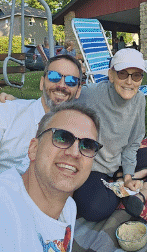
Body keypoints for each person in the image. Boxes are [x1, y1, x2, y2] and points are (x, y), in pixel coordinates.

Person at [73, 48, 147, 221]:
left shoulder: (139, 99)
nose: (129, 82)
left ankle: (140, 195)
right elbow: (58, 103)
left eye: (136, 76)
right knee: (94, 209)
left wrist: (127, 176)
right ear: (111, 75)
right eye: (123, 74)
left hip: (121, 160)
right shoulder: (90, 95)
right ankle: (126, 185)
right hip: (94, 167)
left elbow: (133, 143)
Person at [0, 102, 101, 251]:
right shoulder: (6, 211)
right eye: (62, 137)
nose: (74, 153)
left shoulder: (68, 208)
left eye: (87, 145)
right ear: (33, 148)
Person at [0, 55, 83, 174]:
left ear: (78, 91)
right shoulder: (8, 111)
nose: (61, 85)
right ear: (42, 82)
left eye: (71, 81)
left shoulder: (78, 133)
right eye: (54, 77)